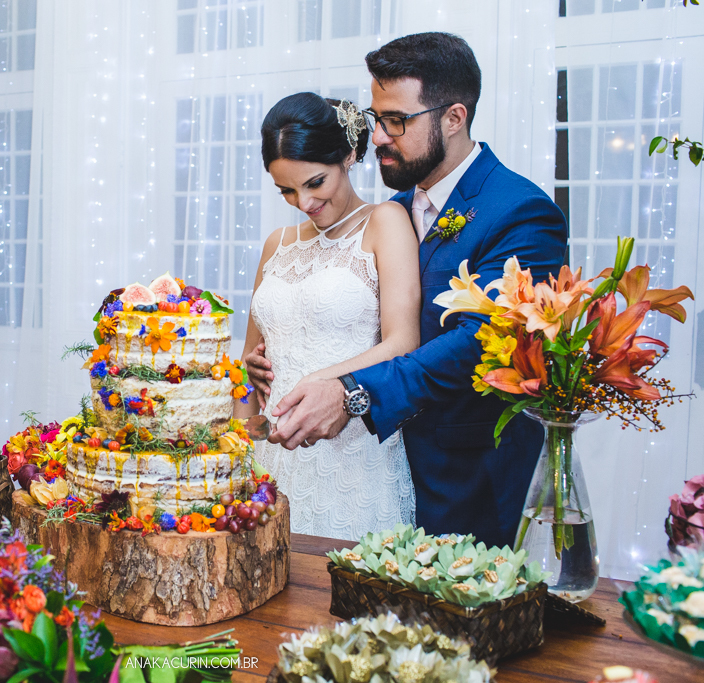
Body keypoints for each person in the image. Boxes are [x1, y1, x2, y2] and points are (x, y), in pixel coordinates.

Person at [246, 33, 567, 548]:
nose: (377, 138)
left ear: (453, 118)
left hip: (465, 475)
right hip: (376, 461)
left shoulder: (521, 211)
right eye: (377, 119)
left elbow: (480, 340)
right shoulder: (391, 208)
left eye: (396, 121)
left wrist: (352, 391)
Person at [238, 92, 418, 541]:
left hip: (354, 456)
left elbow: (403, 343)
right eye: (287, 190)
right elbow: (248, 358)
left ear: (349, 155)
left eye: (315, 182)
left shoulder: (385, 221)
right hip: (273, 460)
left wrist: (319, 383)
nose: (303, 202)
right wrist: (238, 444)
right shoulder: (276, 244)